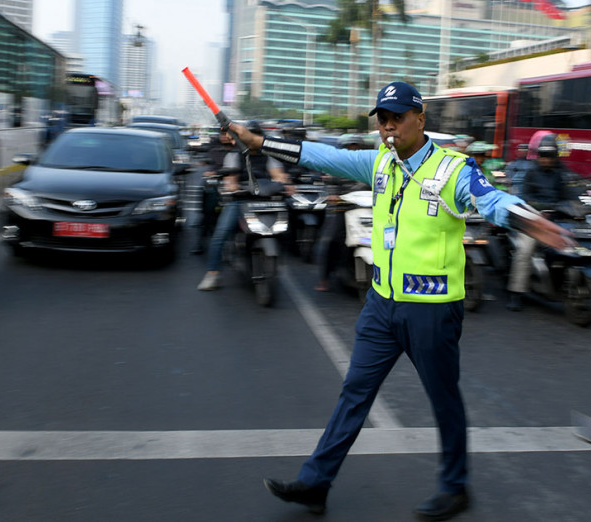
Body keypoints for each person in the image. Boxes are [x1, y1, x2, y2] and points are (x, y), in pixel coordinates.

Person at [228, 81, 570, 520]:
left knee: (443, 399)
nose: (389, 127)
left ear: (420, 119)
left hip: (432, 310)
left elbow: (493, 199)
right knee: (354, 392)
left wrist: (527, 219)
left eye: (398, 118)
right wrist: (258, 141)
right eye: (383, 120)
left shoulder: (453, 169)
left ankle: (455, 487)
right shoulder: (380, 164)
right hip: (381, 305)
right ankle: (316, 482)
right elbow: (318, 154)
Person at [196, 121, 290, 291]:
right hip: (241, 200)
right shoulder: (234, 156)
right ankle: (212, 274)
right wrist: (233, 187)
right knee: (220, 234)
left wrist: (284, 182)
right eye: (248, 135)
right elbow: (230, 179)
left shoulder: (268, 155)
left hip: (266, 200)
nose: (251, 139)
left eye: (255, 135)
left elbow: (278, 175)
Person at [504, 134, 576, 311]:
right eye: (543, 156)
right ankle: (516, 293)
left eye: (550, 156)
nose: (546, 160)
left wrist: (575, 206)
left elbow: (570, 196)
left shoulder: (561, 174)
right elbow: (525, 197)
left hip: (557, 218)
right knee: (524, 252)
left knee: (574, 246)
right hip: (534, 220)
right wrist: (539, 208)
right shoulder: (531, 172)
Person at [314, 134, 369, 292]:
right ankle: (324, 278)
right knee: (331, 239)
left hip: (366, 208)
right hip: (342, 208)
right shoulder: (336, 166)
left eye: (356, 147)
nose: (353, 150)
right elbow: (330, 184)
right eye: (349, 147)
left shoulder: (369, 164)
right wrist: (333, 196)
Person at [191, 130, 236, 255]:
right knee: (207, 210)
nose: (226, 137)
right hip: (216, 183)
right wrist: (210, 172)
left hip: (234, 183)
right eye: (223, 134)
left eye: (229, 135)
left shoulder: (240, 150)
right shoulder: (214, 147)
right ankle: (200, 242)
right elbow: (208, 161)